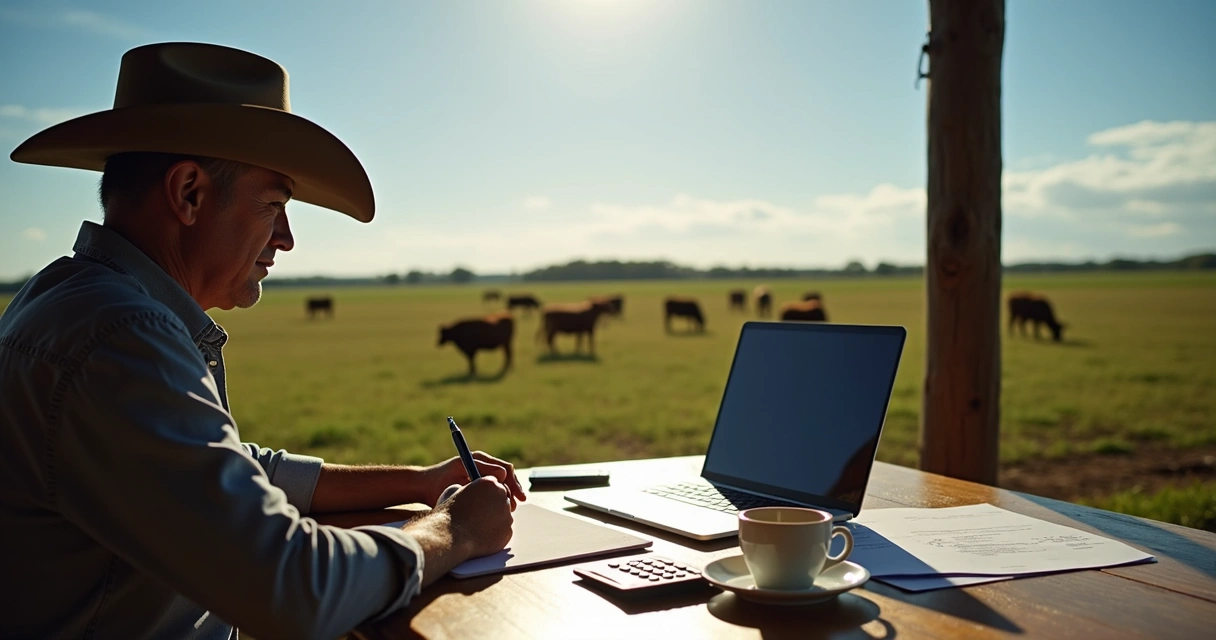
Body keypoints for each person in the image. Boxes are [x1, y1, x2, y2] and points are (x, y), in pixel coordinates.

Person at [0, 42, 525, 639]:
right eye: (274, 204)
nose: (287, 237)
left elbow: (217, 473)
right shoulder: (122, 335)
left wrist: (419, 482)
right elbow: (291, 588)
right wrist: (455, 530)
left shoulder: (64, 297)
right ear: (189, 193)